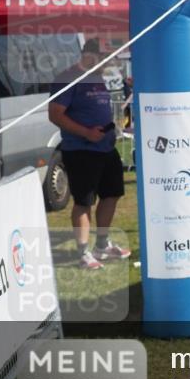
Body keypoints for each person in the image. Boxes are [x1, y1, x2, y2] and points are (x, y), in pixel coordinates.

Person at [47, 39, 131, 270]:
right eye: (103, 57)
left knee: (112, 195)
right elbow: (55, 114)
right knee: (84, 202)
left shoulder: (98, 78)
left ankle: (102, 245)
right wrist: (86, 132)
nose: (107, 63)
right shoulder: (68, 78)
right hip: (80, 150)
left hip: (106, 148)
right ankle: (83, 253)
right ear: (88, 54)